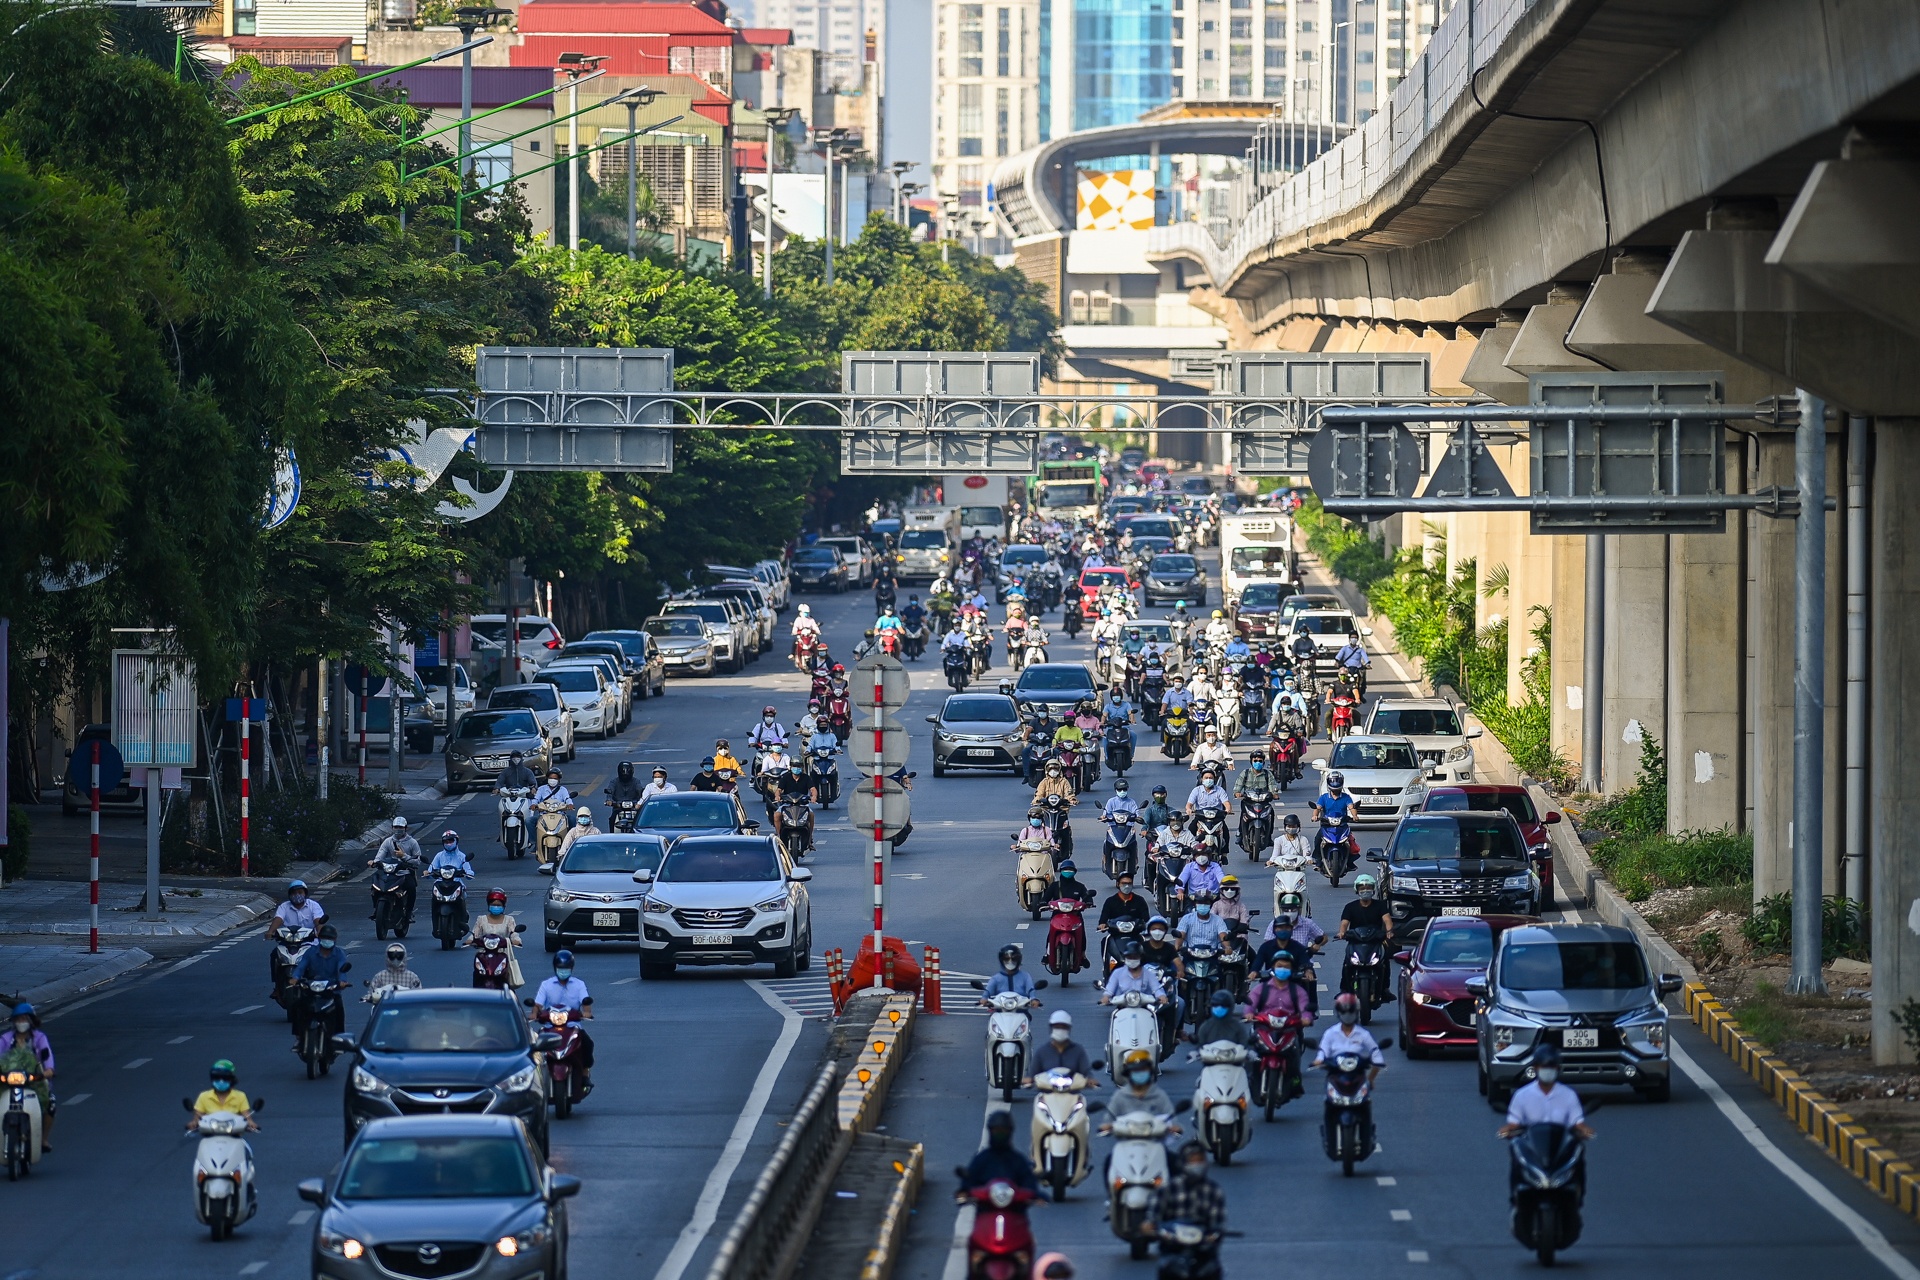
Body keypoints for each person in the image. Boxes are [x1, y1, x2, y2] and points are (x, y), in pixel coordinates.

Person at [1498, 1043, 1594, 1141]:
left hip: (1560, 1145)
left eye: (1551, 1067)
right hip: (1532, 1145)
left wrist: (1584, 1130)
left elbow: (1577, 1122)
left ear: (1557, 1069)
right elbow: (1514, 1123)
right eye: (1544, 1066)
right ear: (1535, 1068)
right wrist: (1507, 1130)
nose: (1548, 1070)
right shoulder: (1522, 1095)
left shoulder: (1569, 1095)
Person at [534, 949, 596, 1094]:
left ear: (571, 968)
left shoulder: (579, 985)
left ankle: (585, 1073)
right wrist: (535, 1014)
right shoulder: (546, 985)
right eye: (561, 969)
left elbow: (586, 1003)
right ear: (555, 968)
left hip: (572, 1026)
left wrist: (586, 1012)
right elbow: (538, 1005)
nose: (563, 972)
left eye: (566, 969)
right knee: (533, 1046)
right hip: (549, 1027)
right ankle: (532, 1077)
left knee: (587, 1043)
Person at [288, 924, 352, 1052]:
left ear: (335, 939)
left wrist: (342, 982)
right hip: (312, 988)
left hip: (331, 990)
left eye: (330, 938)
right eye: (324, 937)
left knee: (339, 1008)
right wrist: (295, 977)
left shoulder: (339, 953)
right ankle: (299, 1037)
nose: (327, 940)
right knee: (297, 1005)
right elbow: (301, 967)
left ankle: (339, 1038)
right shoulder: (311, 952)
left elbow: (342, 970)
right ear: (319, 937)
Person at [1149, 1140, 1228, 1243]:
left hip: (1203, 1247)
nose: (1196, 1165)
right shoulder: (1169, 1188)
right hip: (1173, 1244)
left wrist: (1214, 1234)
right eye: (1193, 1161)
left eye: (1200, 1161)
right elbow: (1154, 1214)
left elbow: (1218, 1221)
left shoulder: (1213, 1191)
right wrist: (1150, 1225)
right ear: (1183, 1163)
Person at [0, 1003, 55, 1150]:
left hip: (34, 1081)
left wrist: (47, 1072)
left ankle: (43, 1139)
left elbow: (48, 1060)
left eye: (24, 1018)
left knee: (51, 1103)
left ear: (30, 1020)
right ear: (13, 1021)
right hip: (7, 1082)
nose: (21, 1022)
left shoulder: (39, 1038)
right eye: (18, 1019)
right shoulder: (5, 1039)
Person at [1311, 993, 1386, 1088]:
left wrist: (1371, 1076)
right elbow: (1323, 1051)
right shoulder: (1331, 1033)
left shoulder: (1363, 1034)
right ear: (1339, 1012)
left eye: (1351, 1011)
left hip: (1357, 1079)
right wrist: (1319, 1060)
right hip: (1336, 1077)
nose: (1347, 1015)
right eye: (1344, 1011)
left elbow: (1375, 1052)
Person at [960, 1109, 1041, 1194]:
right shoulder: (982, 1159)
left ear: (1010, 1132)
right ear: (991, 1132)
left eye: (1003, 1131)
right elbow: (968, 1182)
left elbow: (1030, 1184)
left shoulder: (1018, 1160)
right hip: (986, 1206)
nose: (1000, 1134)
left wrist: (1035, 1195)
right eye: (997, 1131)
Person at [267, 878, 327, 990]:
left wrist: (319, 932)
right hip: (288, 943)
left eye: (300, 892)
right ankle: (277, 987)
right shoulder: (284, 907)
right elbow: (278, 919)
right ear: (289, 895)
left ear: (305, 893)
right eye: (294, 893)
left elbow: (318, 921)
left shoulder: (313, 906)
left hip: (309, 943)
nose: (297, 895)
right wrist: (271, 932)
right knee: (274, 955)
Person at [466, 888, 526, 989]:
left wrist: (516, 941)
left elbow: (514, 933)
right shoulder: (481, 919)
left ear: (503, 906)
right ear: (489, 905)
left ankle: (511, 996)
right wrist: (470, 940)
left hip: (502, 954)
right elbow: (475, 934)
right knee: (477, 973)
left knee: (507, 979)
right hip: (484, 954)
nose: (496, 907)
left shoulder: (509, 920)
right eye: (493, 905)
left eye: (499, 905)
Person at [185, 1059, 256, 1135]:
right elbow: (198, 1118)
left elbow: (246, 1116)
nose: (221, 1081)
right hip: (210, 1136)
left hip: (234, 1136)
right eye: (217, 1078)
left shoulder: (240, 1096)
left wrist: (251, 1124)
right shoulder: (204, 1096)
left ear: (232, 1079)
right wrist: (193, 1123)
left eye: (225, 1078)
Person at [1025, 1009, 1095, 1084]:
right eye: (1057, 1027)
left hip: (1072, 1093)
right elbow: (1032, 1074)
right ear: (1051, 1028)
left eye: (1063, 1027)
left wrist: (1090, 1080)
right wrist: (1028, 1080)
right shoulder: (1042, 1052)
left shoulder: (1078, 1051)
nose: (1060, 1030)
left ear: (1069, 1029)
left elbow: (1086, 1072)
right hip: (1047, 1093)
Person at [1337, 873, 1396, 957]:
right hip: (1356, 941)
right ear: (1357, 890)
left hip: (1375, 940)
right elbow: (1344, 923)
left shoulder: (1380, 905)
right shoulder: (1350, 907)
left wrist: (1389, 932)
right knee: (1348, 961)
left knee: (1384, 961)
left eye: (1368, 888)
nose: (1365, 890)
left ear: (1373, 889)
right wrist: (1342, 933)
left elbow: (1387, 920)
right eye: (1362, 888)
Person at [1099, 941, 1169, 1007]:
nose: (1132, 960)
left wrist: (1161, 996)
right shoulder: (1118, 973)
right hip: (1122, 1008)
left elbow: (1156, 988)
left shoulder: (1149, 974)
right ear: (1125, 958)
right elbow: (1110, 989)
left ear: (1141, 958)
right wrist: (1106, 997)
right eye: (1129, 957)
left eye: (1135, 957)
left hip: (1144, 1008)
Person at [1191, 988, 1255, 1049]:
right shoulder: (1206, 1026)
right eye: (1216, 1005)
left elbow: (1244, 1043)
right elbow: (1200, 1045)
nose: (1219, 1008)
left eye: (1223, 1006)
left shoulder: (1237, 1026)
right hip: (1211, 1057)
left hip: (1233, 1057)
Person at [1334, 629, 1371, 698]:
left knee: (1362, 679)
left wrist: (1367, 664)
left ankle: (1361, 694)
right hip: (1347, 668)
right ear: (1349, 639)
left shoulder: (1360, 650)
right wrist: (1337, 662)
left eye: (1355, 638)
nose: (1354, 639)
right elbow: (1339, 656)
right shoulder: (1345, 648)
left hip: (1357, 669)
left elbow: (1365, 657)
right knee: (1341, 677)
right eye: (1352, 638)